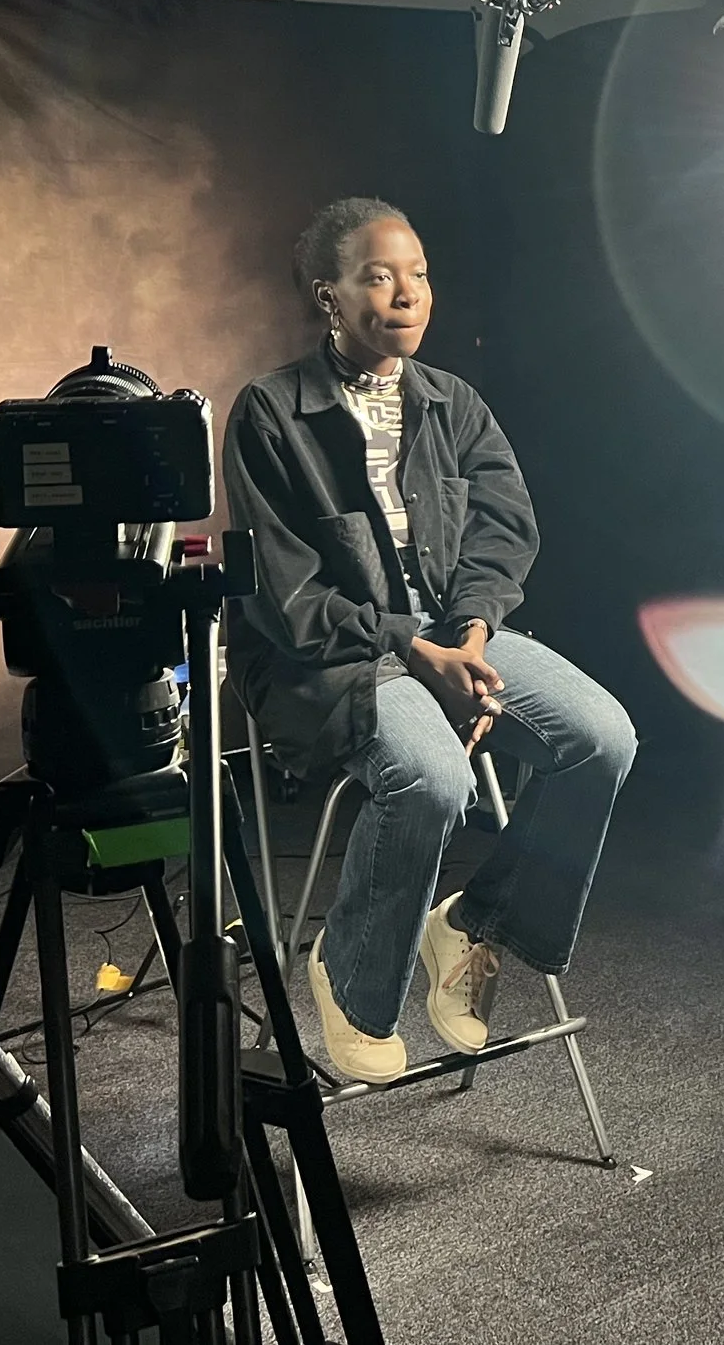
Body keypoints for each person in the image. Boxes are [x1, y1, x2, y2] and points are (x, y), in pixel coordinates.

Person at [223, 196, 636, 1085]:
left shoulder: (454, 403)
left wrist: (474, 638)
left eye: (418, 273)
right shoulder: (268, 413)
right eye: (379, 274)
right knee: (436, 775)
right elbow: (291, 595)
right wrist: (420, 652)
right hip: (331, 657)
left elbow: (502, 533)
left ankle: (476, 922)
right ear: (328, 294)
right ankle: (351, 976)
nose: (407, 293)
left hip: (453, 635)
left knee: (602, 737)